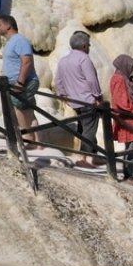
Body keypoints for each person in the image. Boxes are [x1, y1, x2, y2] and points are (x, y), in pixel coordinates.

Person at [54, 31, 104, 168]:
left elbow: (58, 80)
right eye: (88, 45)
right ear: (83, 46)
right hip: (88, 100)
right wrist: (98, 96)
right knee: (89, 130)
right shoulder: (84, 59)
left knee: (84, 128)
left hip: (75, 102)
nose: (89, 47)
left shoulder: (63, 60)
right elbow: (92, 80)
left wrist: (63, 95)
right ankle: (84, 158)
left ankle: (94, 155)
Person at [108, 55, 133, 182]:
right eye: (130, 66)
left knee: (131, 146)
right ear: (124, 65)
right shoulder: (119, 79)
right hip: (127, 117)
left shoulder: (123, 78)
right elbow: (121, 100)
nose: (131, 69)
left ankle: (130, 173)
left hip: (127, 116)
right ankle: (131, 174)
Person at [0, 15, 39, 138]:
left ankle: (27, 138)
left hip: (24, 82)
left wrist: (20, 83)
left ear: (8, 26)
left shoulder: (20, 40)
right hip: (16, 83)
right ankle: (38, 142)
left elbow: (27, 62)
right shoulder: (11, 42)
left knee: (18, 107)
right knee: (29, 112)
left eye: (0, 24)